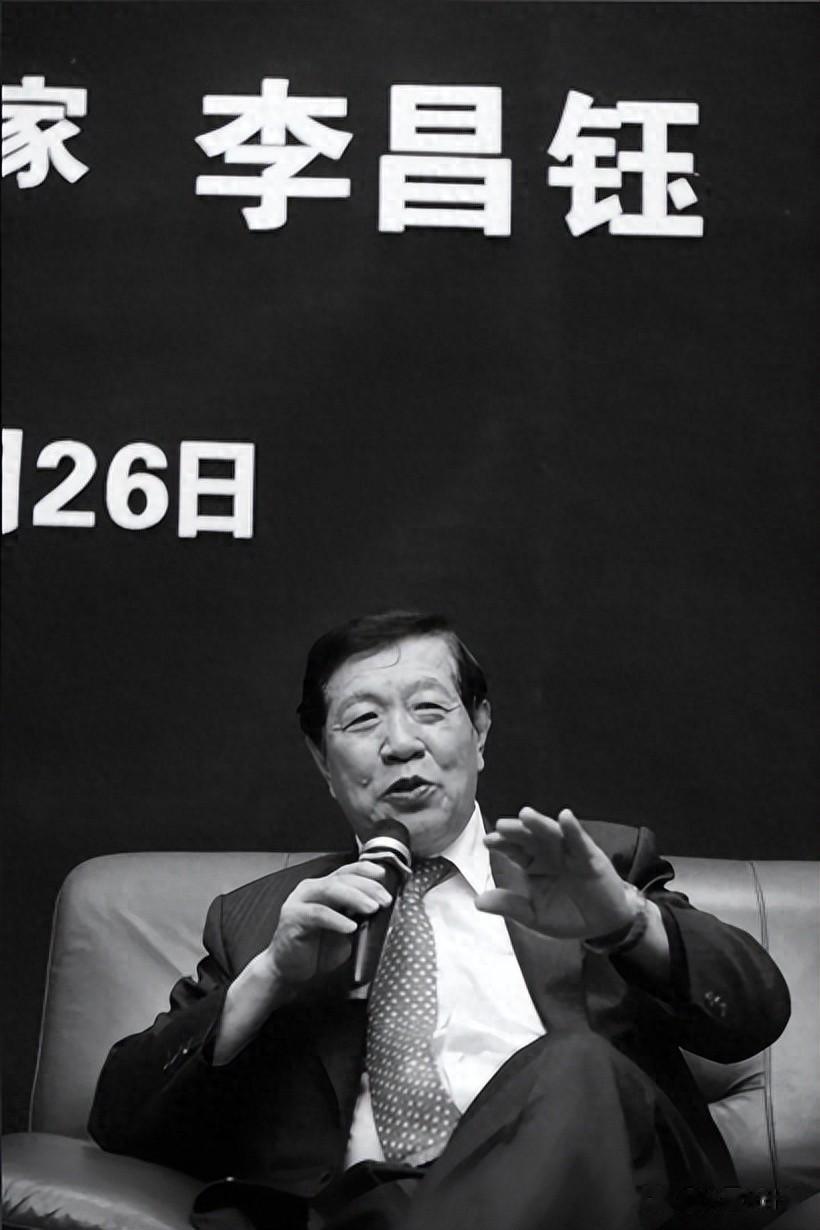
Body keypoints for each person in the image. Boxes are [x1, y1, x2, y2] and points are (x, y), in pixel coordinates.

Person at [89, 610, 790, 1230]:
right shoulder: (265, 920)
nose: (400, 742)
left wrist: (627, 923)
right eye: (363, 720)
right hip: (371, 1210)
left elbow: (753, 1015)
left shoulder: (589, 867)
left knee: (572, 1064)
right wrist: (269, 976)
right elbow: (120, 1119)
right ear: (322, 760)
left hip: (601, 1189)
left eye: (429, 709)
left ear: (479, 730)